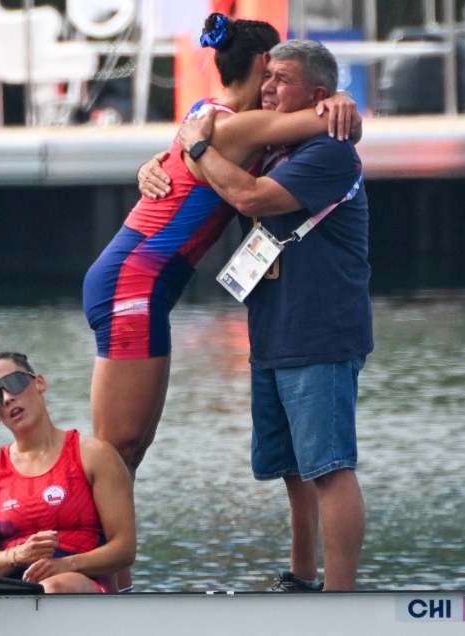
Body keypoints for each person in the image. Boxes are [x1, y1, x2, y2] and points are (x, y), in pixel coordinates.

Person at [83, 12, 360, 483]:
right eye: (272, 70)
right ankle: (83, 553)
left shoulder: (205, 114)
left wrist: (337, 95)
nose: (274, 84)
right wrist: (340, 100)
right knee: (117, 450)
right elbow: (336, 124)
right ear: (258, 63)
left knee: (127, 452)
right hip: (135, 279)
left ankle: (108, 557)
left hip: (139, 279)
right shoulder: (237, 127)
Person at [168, 39, 371, 592]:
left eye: (282, 79)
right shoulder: (280, 142)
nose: (268, 89)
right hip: (275, 328)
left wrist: (199, 150)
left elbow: (252, 198)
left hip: (321, 329)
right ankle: (302, 577)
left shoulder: (329, 151)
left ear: (318, 95)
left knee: (329, 467)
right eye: (267, 77)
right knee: (291, 467)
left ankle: (341, 597)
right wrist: (153, 165)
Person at [0, 352, 135, 593]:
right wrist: (18, 555)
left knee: (49, 589)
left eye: (13, 382)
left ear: (39, 383)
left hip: (80, 580)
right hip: (12, 581)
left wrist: (64, 565)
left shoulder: (96, 455)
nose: (7, 398)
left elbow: (125, 549)